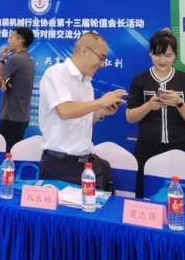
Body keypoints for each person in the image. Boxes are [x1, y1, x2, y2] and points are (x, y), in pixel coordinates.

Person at [38, 32, 126, 189]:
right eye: (101, 57)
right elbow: (65, 111)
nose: (102, 64)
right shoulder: (56, 73)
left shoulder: (87, 84)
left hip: (86, 164)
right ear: (85, 50)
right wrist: (100, 102)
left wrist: (100, 112)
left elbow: (81, 121)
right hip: (60, 165)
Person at [126, 30, 185, 198]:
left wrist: (179, 103)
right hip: (147, 146)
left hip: (179, 145)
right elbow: (130, 117)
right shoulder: (140, 79)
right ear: (150, 54)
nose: (162, 60)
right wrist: (149, 106)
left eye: (168, 55)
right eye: (158, 55)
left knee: (183, 196)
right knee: (144, 195)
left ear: (175, 56)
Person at [0, 27, 35, 152]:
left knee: (3, 155)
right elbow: (8, 83)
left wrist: (1, 60)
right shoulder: (28, 59)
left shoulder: (16, 59)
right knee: (12, 153)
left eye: (11, 37)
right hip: (20, 118)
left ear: (20, 40)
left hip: (10, 119)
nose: (8, 40)